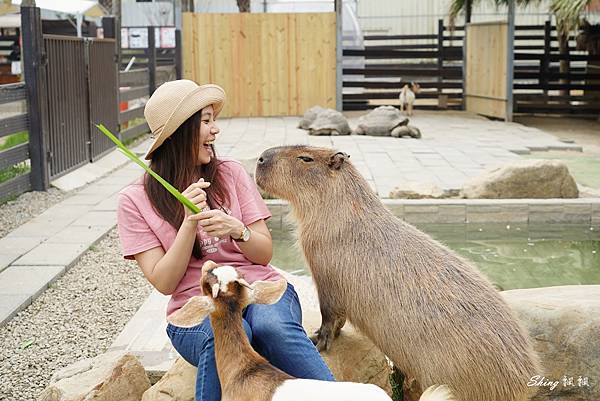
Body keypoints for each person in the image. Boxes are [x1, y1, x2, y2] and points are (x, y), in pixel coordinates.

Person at [116, 80, 334, 401]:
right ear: (178, 133)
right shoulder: (134, 200)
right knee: (228, 334)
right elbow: (164, 282)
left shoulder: (230, 172)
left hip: (258, 287)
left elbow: (263, 254)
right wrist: (189, 225)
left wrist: (238, 229)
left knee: (270, 328)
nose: (215, 130)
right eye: (205, 122)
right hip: (195, 306)